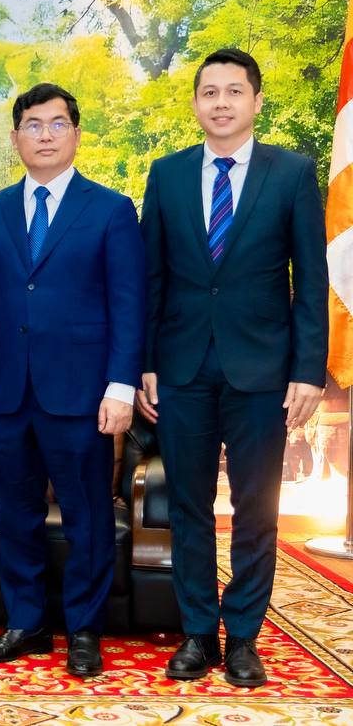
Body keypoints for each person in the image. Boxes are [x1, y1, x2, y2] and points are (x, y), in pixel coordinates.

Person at [137, 48, 326, 687]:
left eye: (234, 91)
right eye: (210, 92)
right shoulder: (166, 174)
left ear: (256, 101)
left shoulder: (291, 173)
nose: (221, 102)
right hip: (182, 367)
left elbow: (311, 278)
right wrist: (146, 363)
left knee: (256, 507)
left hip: (263, 372)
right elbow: (152, 277)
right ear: (196, 103)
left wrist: (308, 370)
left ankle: (243, 636)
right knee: (187, 506)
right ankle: (197, 633)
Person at [0, 83, 145, 677]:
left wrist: (120, 387)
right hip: (7, 394)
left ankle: (84, 630)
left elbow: (128, 306)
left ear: (76, 134)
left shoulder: (111, 209)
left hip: (83, 395)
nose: (45, 135)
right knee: (16, 513)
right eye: (33, 125)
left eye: (57, 124)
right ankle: (27, 623)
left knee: (88, 515)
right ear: (16, 138)